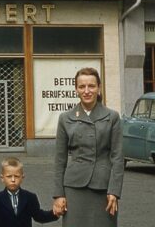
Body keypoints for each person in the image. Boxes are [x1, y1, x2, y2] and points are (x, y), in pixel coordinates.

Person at [52, 67, 124, 227]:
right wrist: (58, 194)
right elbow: (60, 160)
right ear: (76, 89)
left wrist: (114, 191)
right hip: (74, 187)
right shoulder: (65, 118)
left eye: (91, 86)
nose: (87, 91)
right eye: (82, 86)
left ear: (99, 88)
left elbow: (118, 158)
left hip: (104, 188)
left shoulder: (112, 117)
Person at [0, 157, 58, 227]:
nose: (13, 180)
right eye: (9, 176)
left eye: (16, 176)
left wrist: (55, 213)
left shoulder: (30, 197)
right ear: (2, 178)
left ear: (22, 178)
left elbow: (39, 216)